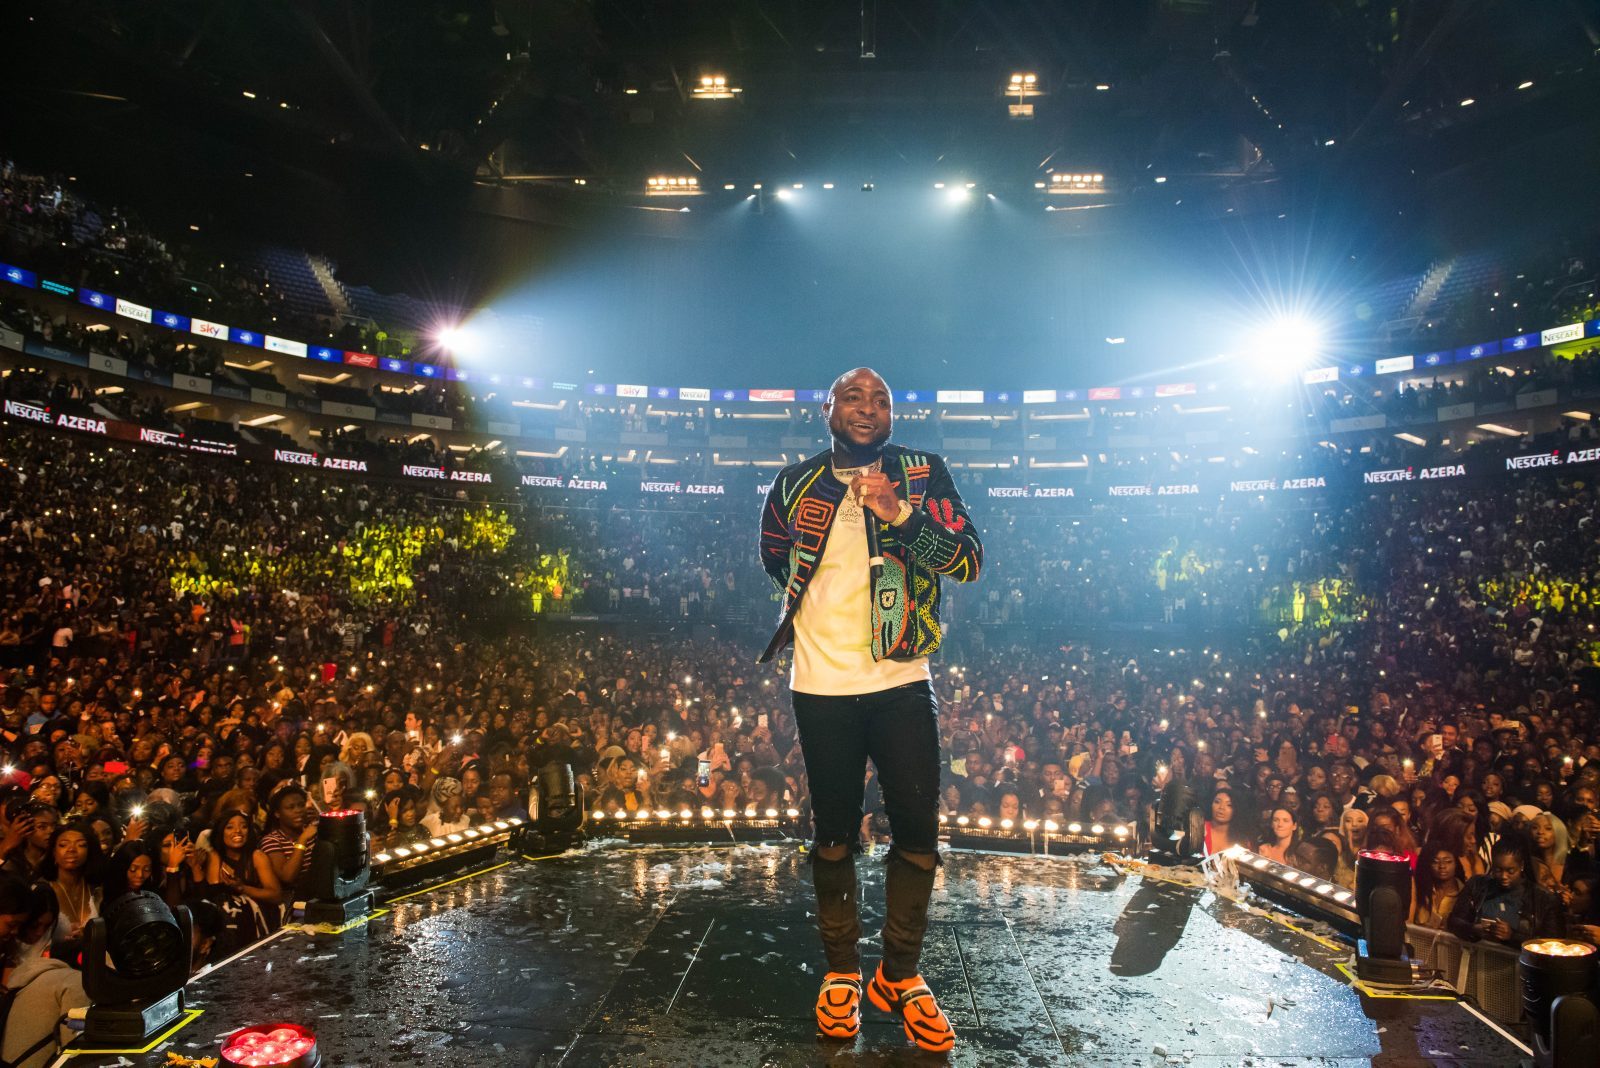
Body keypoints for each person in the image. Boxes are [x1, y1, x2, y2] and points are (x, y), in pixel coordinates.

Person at [758, 367, 982, 1053]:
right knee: (833, 831)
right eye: (853, 396)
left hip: (902, 677)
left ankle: (901, 974)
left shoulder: (922, 472)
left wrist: (900, 516)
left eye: (881, 398)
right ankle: (841, 972)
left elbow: (968, 561)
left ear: (892, 416)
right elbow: (774, 557)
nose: (868, 407)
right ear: (827, 410)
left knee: (918, 829)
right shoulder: (795, 483)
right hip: (820, 683)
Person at [1448, 840, 1566, 947]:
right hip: (1478, 960)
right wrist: (1473, 929)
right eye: (1498, 870)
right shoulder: (1477, 885)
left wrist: (1513, 937)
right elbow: (1453, 921)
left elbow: (1552, 945)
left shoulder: (1544, 899)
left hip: (1518, 966)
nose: (1504, 876)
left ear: (1521, 866)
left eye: (1510, 871)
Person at [1410, 842, 1463, 929]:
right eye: (1435, 862)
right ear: (1428, 865)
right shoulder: (1420, 889)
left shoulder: (1465, 894)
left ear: (1456, 864)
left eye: (1448, 861)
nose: (1442, 866)